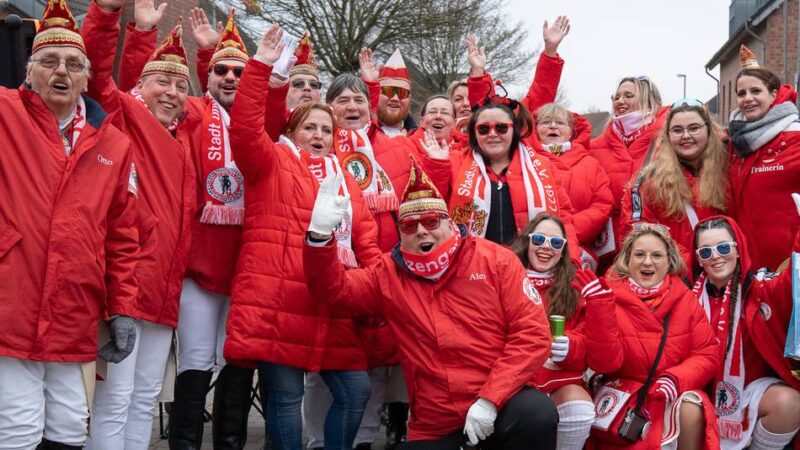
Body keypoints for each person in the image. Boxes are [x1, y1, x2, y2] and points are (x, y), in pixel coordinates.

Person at [303, 156, 559, 449]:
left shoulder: (496, 260)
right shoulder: (387, 273)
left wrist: (490, 399)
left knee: (537, 413)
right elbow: (335, 292)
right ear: (400, 234)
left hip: (500, 406)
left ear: (450, 223)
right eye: (410, 225)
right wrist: (319, 238)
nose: (422, 231)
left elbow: (533, 335)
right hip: (437, 424)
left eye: (431, 221)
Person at [223, 24, 385, 450]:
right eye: (310, 127)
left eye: (326, 130)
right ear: (293, 131)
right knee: (286, 397)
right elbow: (243, 128)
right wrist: (260, 67)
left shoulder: (345, 179)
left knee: (355, 391)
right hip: (279, 300)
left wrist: (377, 285)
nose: (318, 136)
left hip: (332, 303)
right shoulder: (270, 161)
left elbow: (366, 238)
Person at [0, 0, 139, 447]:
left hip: (73, 308)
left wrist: (121, 307)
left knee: (69, 427)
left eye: (74, 64)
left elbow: (122, 235)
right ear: (29, 70)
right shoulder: (3, 114)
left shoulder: (115, 145)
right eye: (49, 60)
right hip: (11, 300)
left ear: (86, 78)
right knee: (17, 427)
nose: (62, 70)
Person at [80, 1, 197, 447]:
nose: (170, 92)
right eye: (161, 81)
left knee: (146, 398)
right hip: (128, 284)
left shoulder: (185, 139)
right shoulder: (124, 117)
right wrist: (112, 15)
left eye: (179, 85)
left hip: (165, 290)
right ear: (139, 86)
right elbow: (94, 72)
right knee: (116, 397)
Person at [578, 223, 720, 450]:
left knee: (692, 405)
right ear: (627, 259)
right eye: (640, 254)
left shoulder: (686, 300)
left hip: (667, 394)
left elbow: (707, 353)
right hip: (625, 397)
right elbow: (605, 363)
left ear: (669, 260)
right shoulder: (607, 296)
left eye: (656, 255)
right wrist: (599, 310)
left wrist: (677, 378)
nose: (647, 262)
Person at [692, 215, 800, 450]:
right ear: (699, 259)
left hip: (753, 392)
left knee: (789, 403)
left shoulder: (762, 291)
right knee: (685, 408)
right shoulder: (687, 299)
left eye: (723, 247)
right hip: (702, 392)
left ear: (739, 249)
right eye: (706, 252)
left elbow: (796, 279)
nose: (716, 257)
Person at [511, 214, 595, 450]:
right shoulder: (505, 276)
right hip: (514, 376)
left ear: (564, 250)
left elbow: (592, 343)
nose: (546, 247)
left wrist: (572, 346)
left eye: (556, 243)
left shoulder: (574, 286)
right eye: (539, 239)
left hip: (558, 377)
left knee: (580, 410)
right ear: (527, 241)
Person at [620, 99, 729, 270]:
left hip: (726, 271)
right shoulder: (647, 179)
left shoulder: (730, 168)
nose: (686, 136)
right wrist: (692, 262)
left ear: (708, 129)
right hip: (677, 274)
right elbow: (636, 232)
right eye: (677, 130)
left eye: (694, 128)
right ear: (668, 135)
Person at [728, 44, 800, 271]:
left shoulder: (795, 137)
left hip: (789, 263)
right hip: (747, 260)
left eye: (756, 91)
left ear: (773, 95)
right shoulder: (734, 142)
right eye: (741, 93)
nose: (748, 98)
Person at [590, 75, 668, 266]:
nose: (620, 101)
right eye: (616, 97)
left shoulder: (667, 141)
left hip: (653, 249)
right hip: (608, 251)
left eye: (628, 95)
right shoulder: (595, 146)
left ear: (648, 99)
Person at [528, 103, 613, 270]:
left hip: (576, 251)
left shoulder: (590, 164)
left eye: (560, 123)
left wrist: (566, 230)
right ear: (535, 129)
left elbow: (603, 204)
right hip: (531, 248)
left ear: (571, 131)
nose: (553, 126)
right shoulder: (523, 160)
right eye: (546, 122)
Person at [377, 49, 414, 137]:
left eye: (403, 93)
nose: (395, 98)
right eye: (388, 91)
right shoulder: (360, 132)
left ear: (409, 99)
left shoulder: (422, 139)